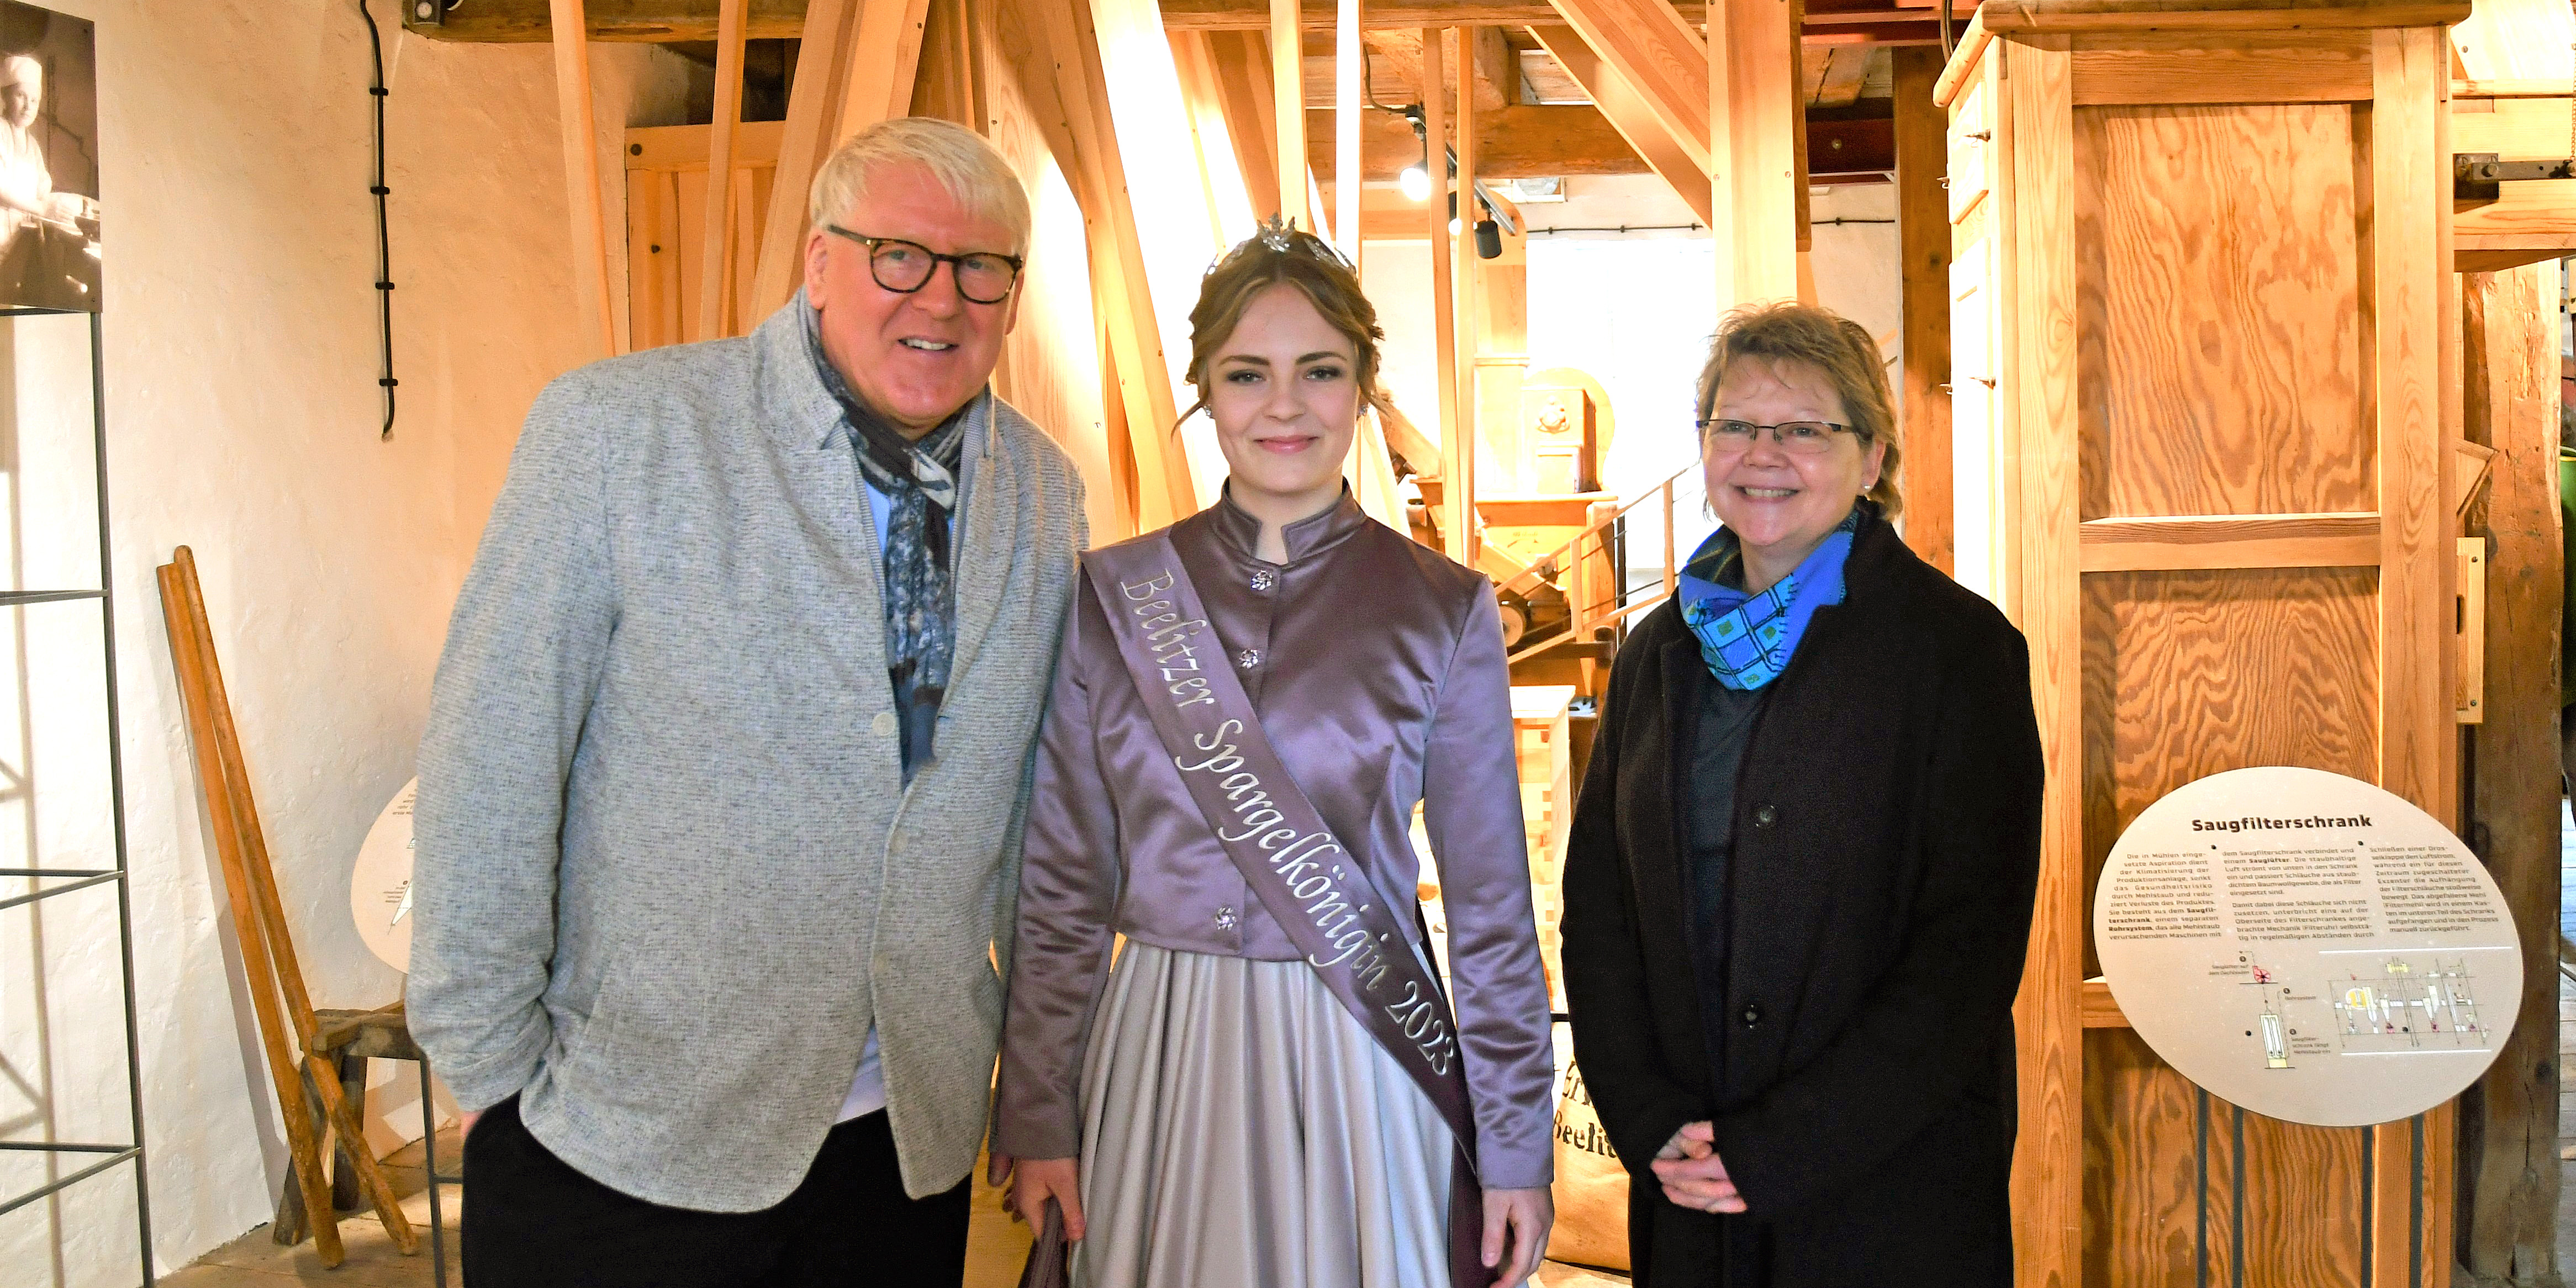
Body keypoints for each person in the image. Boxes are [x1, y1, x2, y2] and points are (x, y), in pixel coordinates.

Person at [408, 116, 1088, 1286]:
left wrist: (1039, 1089)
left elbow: (1038, 815)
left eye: (984, 267)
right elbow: (492, 754)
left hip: (898, 1150)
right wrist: (491, 1072)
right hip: (625, 1133)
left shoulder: (1039, 491)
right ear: (819, 261)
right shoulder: (623, 434)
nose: (942, 298)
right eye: (899, 256)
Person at [989, 220, 1556, 1288]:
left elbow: (1490, 910)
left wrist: (1517, 1146)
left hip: (1364, 1054)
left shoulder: (1443, 607)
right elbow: (1060, 886)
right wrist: (1037, 1109)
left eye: (1320, 372)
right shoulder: (1111, 599)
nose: (1283, 406)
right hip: (1163, 1050)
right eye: (1247, 374)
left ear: (1361, 390)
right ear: (1204, 388)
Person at [1558, 302, 2043, 1287]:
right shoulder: (1657, 652)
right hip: (1687, 1176)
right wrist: (1650, 1123)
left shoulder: (1955, 652)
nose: (1761, 453)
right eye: (1734, 425)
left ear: (1869, 459)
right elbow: (1598, 910)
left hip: (1880, 1185)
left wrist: (1776, 1148)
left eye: (1804, 429)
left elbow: (1963, 953)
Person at [0, 54, 96, 310]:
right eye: (21, 96)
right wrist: (41, 208)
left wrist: (57, 205)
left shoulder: (32, 146)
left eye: (35, 100)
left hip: (22, 232)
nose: (28, 105)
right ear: (5, 98)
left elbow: (44, 188)